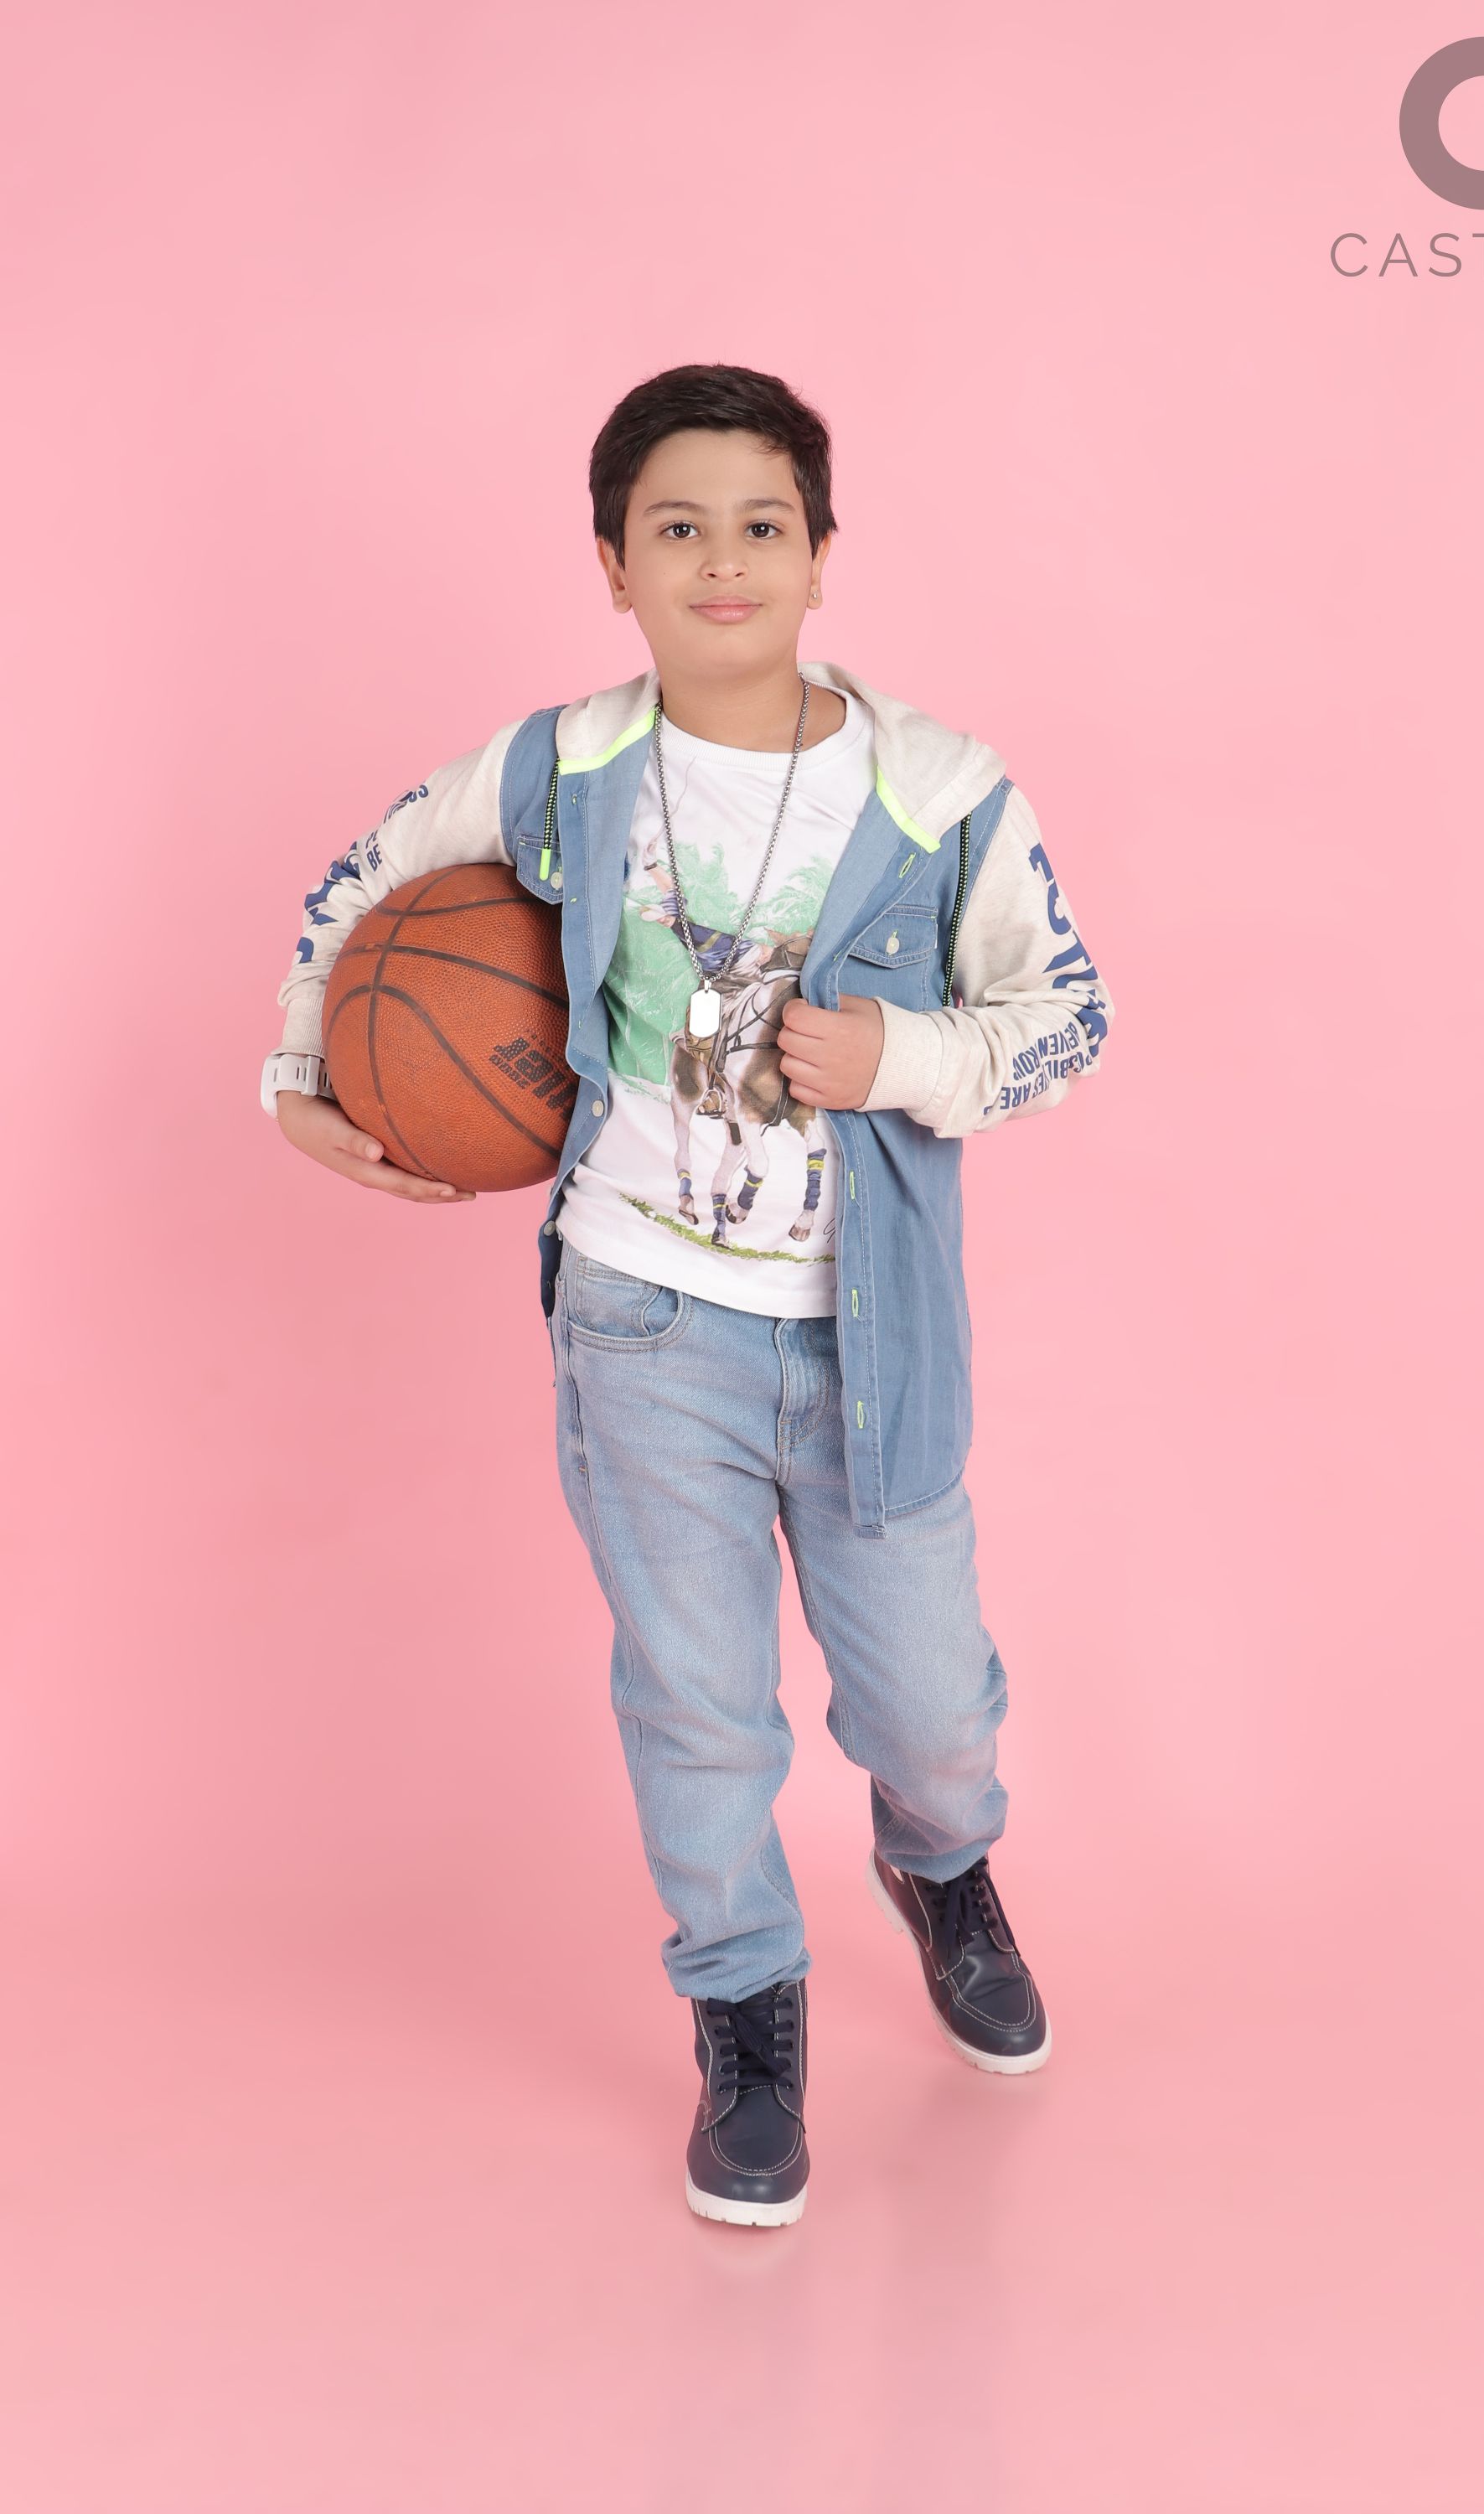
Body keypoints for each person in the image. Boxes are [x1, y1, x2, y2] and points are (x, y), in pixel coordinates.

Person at [261, 364, 1109, 2228]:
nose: (722, 560)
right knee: (700, 1704)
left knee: (932, 1707)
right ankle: (743, 2005)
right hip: (640, 1320)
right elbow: (363, 884)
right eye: (677, 528)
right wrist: (299, 1076)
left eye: (760, 524)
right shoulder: (559, 768)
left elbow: (1069, 1020)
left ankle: (940, 1864)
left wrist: (894, 1056)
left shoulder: (941, 793)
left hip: (873, 1336)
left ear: (820, 551)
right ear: (613, 564)